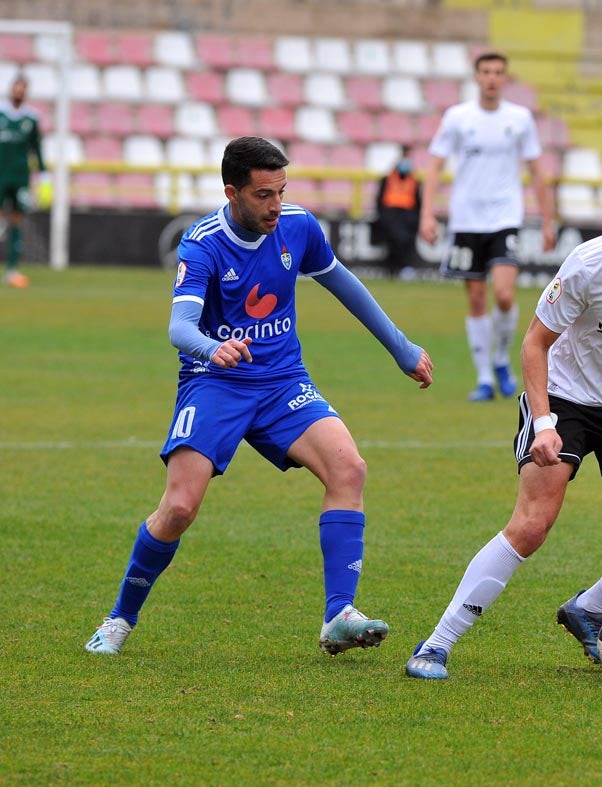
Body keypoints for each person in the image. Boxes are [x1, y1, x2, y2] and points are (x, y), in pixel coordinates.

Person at [84, 136, 434, 657]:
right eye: (264, 195)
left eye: (281, 191)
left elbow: (346, 286)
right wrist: (212, 348)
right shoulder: (202, 243)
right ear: (232, 192)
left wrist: (402, 349)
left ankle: (339, 613)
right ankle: (119, 619)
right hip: (215, 383)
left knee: (349, 468)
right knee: (179, 507)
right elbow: (180, 328)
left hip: (281, 381)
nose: (276, 205)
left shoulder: (298, 226)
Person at [405, 162, 602, 679]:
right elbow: (535, 342)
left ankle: (590, 608)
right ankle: (436, 645)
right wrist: (544, 421)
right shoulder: (591, 264)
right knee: (532, 524)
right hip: (565, 396)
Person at [418, 51, 557, 402]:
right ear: (477, 77)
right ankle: (483, 377)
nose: (492, 78)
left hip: (505, 217)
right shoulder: (458, 117)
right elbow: (434, 167)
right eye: (486, 72)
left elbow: (538, 171)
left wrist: (546, 220)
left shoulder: (520, 118)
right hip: (466, 219)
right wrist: (427, 214)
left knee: (506, 295)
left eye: (498, 72)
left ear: (505, 79)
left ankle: (500, 359)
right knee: (477, 299)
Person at [0, 75, 46, 289]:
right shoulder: (1, 113)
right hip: (1, 175)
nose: (18, 93)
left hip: (20, 177)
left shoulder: (31, 118)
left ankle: (12, 270)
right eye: (15, 89)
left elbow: (36, 148)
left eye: (22, 90)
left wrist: (43, 173)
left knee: (17, 221)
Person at [374, 148, 422, 274]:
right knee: (392, 242)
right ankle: (391, 268)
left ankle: (404, 267)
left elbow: (418, 201)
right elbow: (380, 199)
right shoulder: (388, 178)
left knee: (405, 242)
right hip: (391, 215)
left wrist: (415, 218)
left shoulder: (413, 180)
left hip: (407, 217)